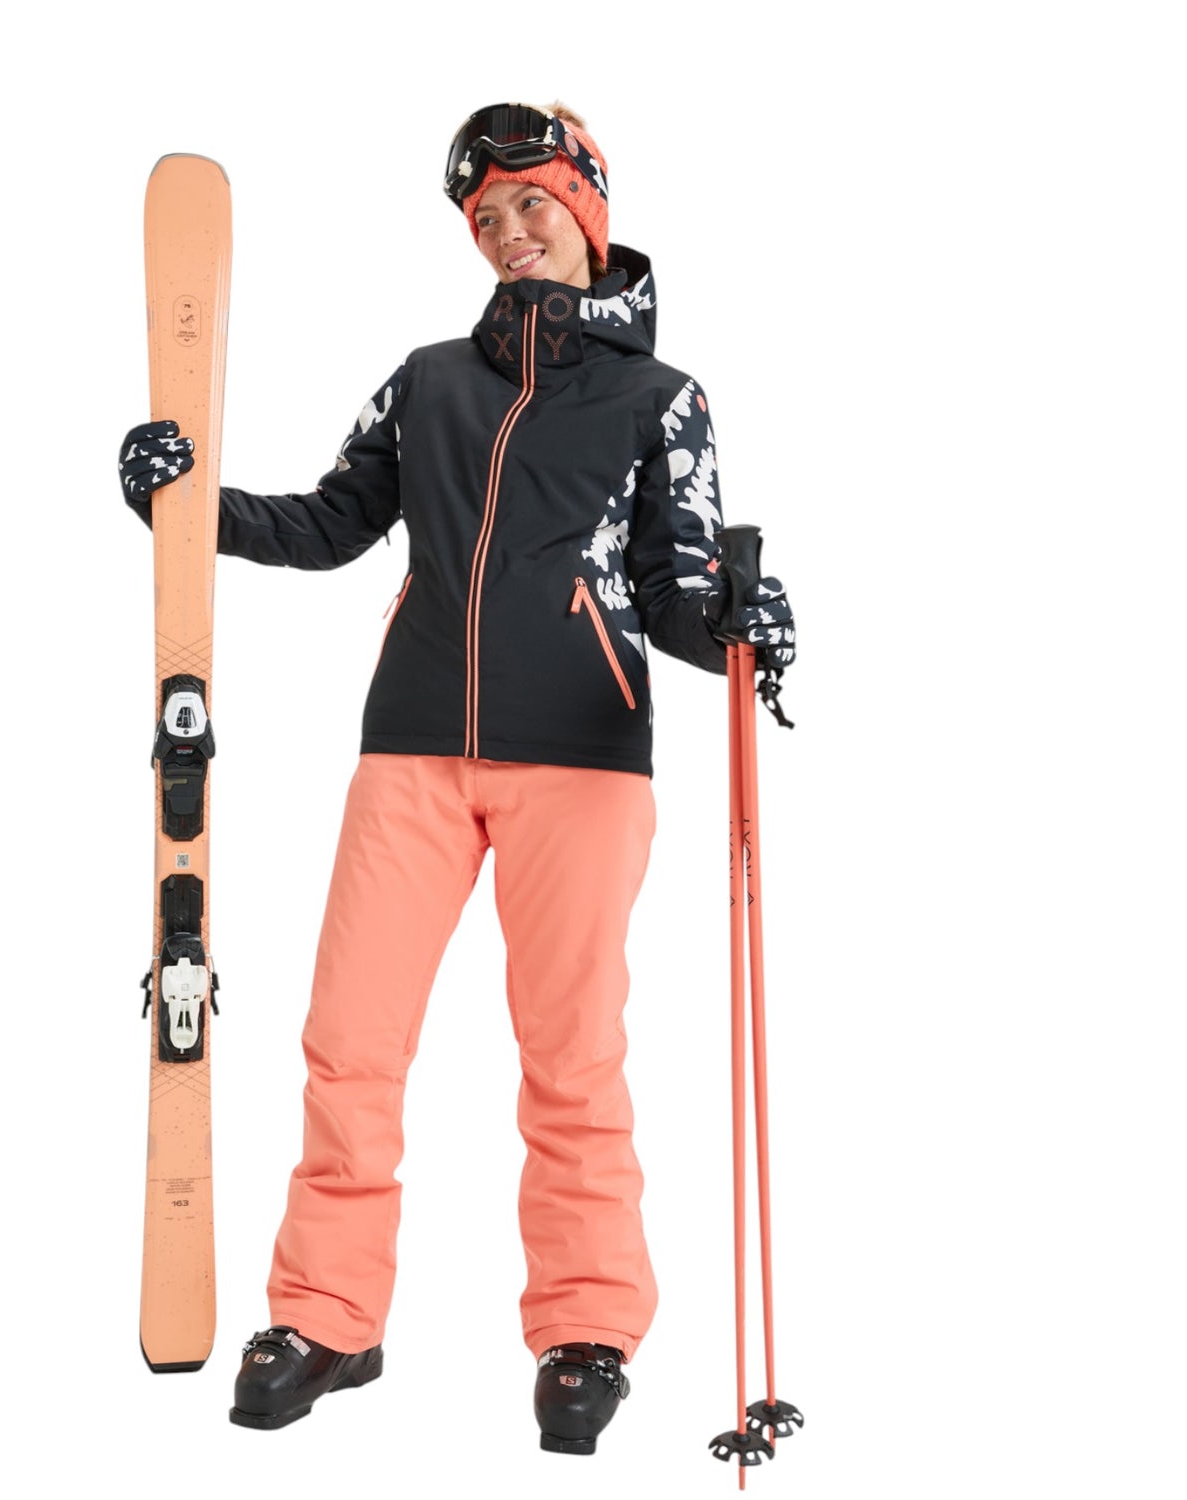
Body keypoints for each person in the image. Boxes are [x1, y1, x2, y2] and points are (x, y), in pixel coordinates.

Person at [118, 101, 795, 1455]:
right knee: (350, 1039)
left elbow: (676, 590)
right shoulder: (427, 381)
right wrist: (184, 503)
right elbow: (329, 523)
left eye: (531, 204)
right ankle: (328, 1316)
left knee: (570, 1052)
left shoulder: (664, 401)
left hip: (582, 756)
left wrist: (741, 621)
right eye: (486, 219)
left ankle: (587, 1328)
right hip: (415, 745)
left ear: (586, 205)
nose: (508, 233)